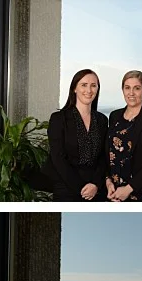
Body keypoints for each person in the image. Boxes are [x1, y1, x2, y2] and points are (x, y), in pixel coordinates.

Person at [47, 69, 108, 201]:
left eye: (93, 85)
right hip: (66, 188)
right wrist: (81, 187)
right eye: (84, 85)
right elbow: (58, 158)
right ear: (74, 88)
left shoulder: (102, 120)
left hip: (96, 190)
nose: (89, 90)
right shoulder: (59, 119)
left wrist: (95, 184)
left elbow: (104, 156)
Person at [106, 70, 142, 202]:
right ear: (122, 90)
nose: (131, 93)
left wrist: (128, 189)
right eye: (127, 88)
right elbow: (108, 153)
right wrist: (108, 182)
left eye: (137, 88)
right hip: (114, 192)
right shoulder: (114, 116)